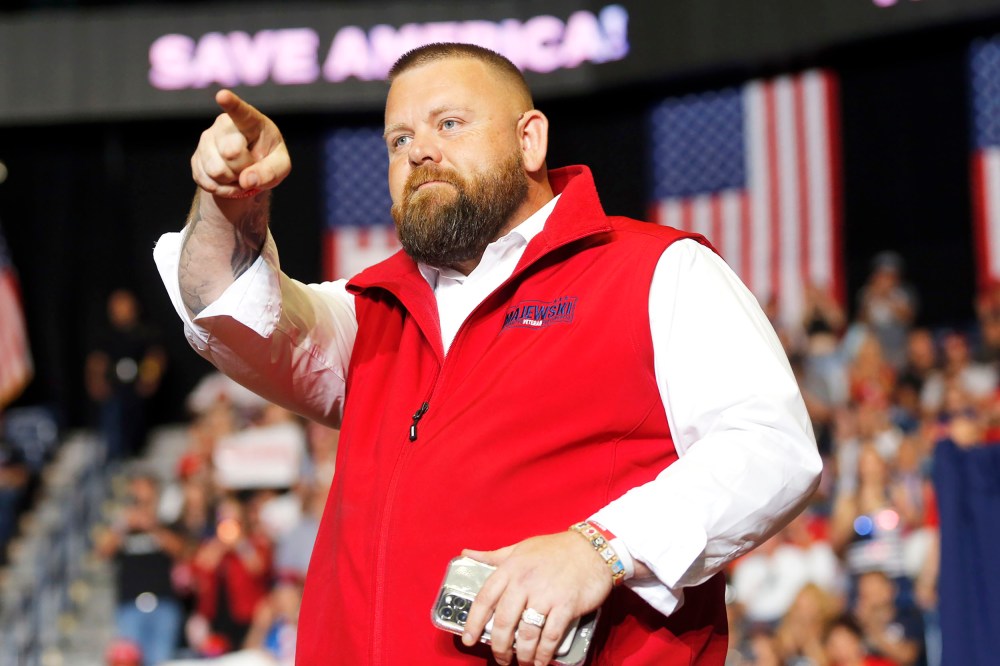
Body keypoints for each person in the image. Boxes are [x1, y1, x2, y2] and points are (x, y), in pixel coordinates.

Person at [153, 43, 821, 665]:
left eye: (449, 124)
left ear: (529, 139)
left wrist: (600, 550)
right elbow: (229, 308)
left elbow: (771, 448)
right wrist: (228, 205)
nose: (419, 153)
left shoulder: (655, 271)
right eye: (400, 139)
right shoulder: (371, 311)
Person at [85, 288, 167, 462]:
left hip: (138, 389)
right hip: (113, 390)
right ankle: (114, 456)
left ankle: (137, 453)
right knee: (113, 421)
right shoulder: (104, 334)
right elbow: (96, 361)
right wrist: (97, 381)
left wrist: (149, 378)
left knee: (138, 423)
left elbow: (155, 357)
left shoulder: (145, 332)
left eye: (124, 305)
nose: (120, 310)